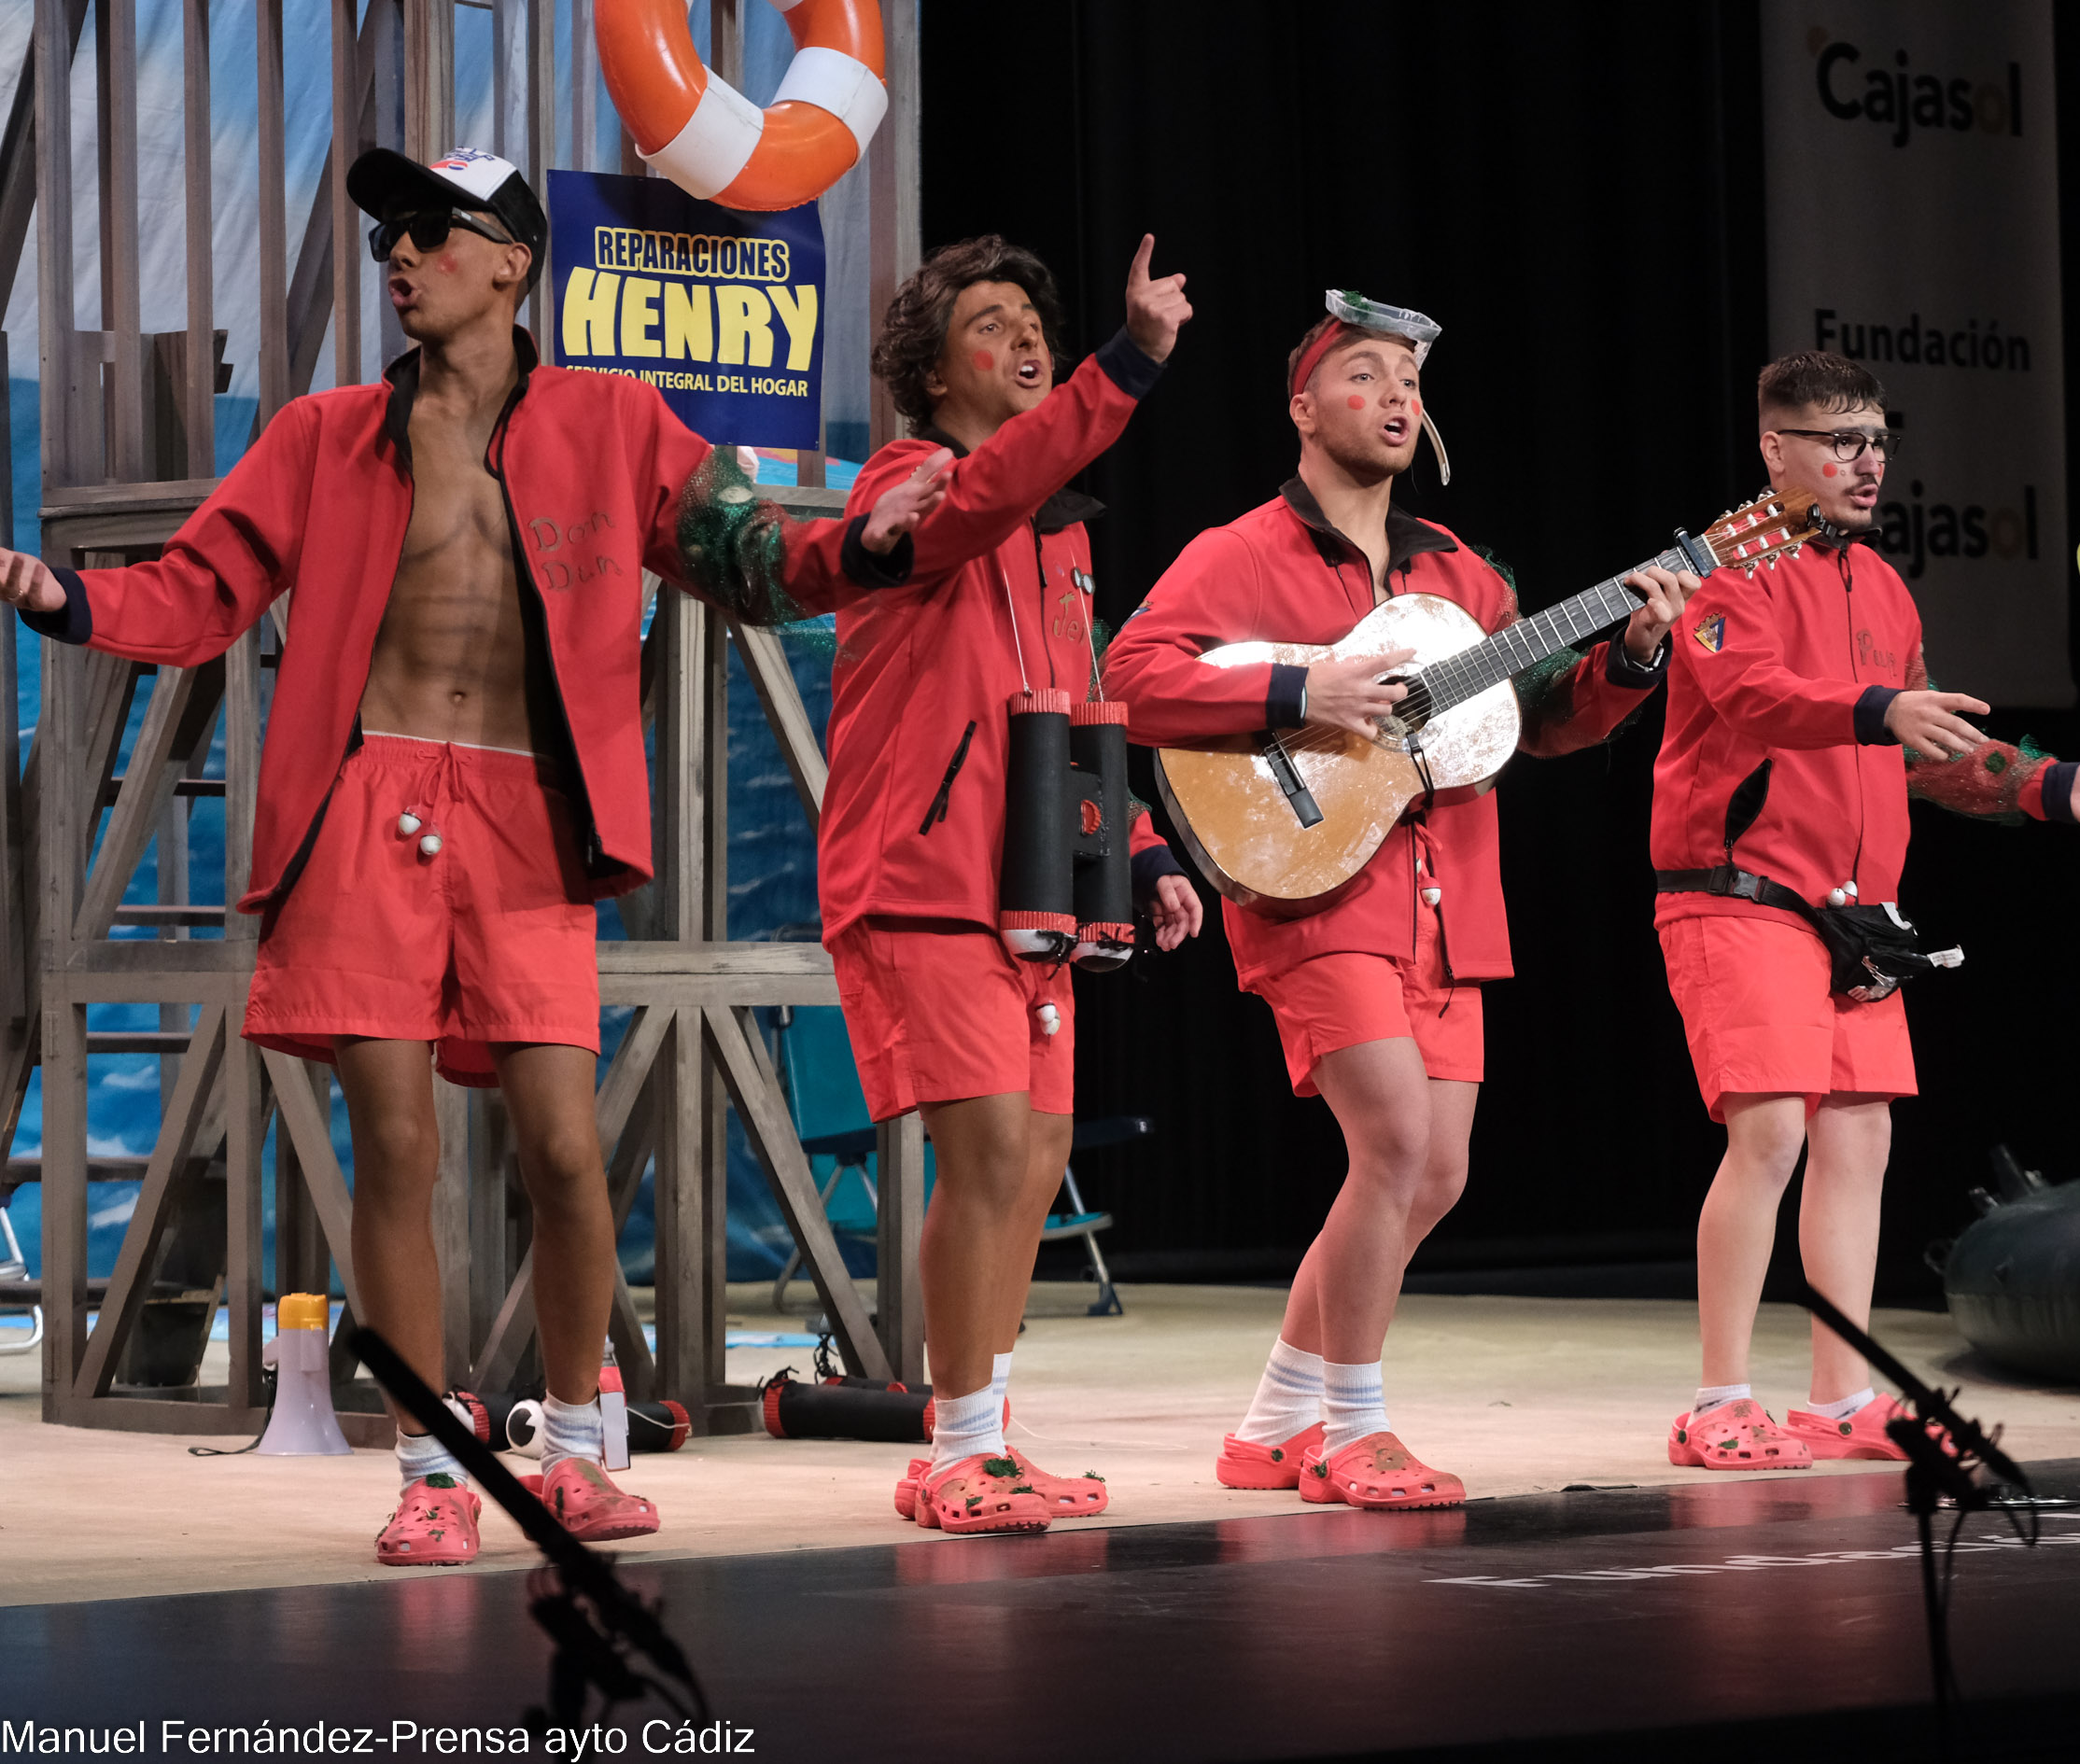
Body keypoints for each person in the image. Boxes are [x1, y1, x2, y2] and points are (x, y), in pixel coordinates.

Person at [0, 147, 942, 1566]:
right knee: (394, 1142)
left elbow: (748, 556)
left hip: (527, 816)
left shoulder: (614, 419)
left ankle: (574, 1446)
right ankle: (434, 1470)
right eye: (388, 235)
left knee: (563, 1152)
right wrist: (61, 595)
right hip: (366, 802)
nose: (400, 256)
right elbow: (201, 586)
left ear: (511, 262)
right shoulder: (325, 431)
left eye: (432, 233)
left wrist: (859, 547)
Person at [1105, 296, 1691, 1510]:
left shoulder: (1461, 574)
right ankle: (1353, 1431)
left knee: (1433, 1175)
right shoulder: (1241, 552)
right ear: (1302, 405)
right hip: (1314, 883)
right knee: (1393, 1145)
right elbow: (1131, 677)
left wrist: (1630, 651)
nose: (1394, 398)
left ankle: (1272, 1422)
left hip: (1449, 895)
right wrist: (1301, 683)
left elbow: (1539, 718)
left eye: (1409, 383)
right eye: (1364, 375)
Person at [1650, 350, 2080, 1474]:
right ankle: (1717, 1396)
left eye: (1878, 440)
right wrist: (1881, 706)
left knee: (1861, 1137)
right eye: (1840, 440)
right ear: (1774, 447)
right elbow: (1757, 697)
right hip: (1742, 892)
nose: (1867, 461)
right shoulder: (1722, 568)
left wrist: (2053, 786)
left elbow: (1928, 749)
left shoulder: (1883, 585)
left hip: (1861, 911)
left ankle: (1841, 1400)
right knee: (1775, 1130)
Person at [831, 233, 1202, 1535]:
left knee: (1035, 1159)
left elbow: (1082, 709)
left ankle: (984, 1437)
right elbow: (989, 490)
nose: (1024, 339)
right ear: (930, 373)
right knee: (986, 1151)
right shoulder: (914, 480)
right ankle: (949, 1449)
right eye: (989, 324)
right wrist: (1127, 362)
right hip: (920, 876)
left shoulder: (1057, 541)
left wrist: (1142, 849)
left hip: (1033, 890)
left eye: (1032, 319)